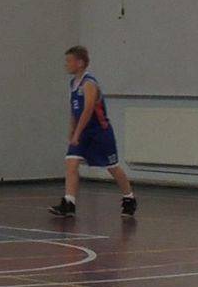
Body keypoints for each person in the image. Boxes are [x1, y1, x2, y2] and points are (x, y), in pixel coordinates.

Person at [48, 46, 135, 218]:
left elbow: (88, 110)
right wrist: (72, 130)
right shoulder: (73, 84)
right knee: (71, 162)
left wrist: (77, 132)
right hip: (83, 132)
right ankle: (69, 202)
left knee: (112, 167)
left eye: (69, 61)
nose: (66, 64)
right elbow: (74, 110)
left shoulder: (89, 83)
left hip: (99, 132)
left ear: (80, 63)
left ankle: (129, 198)